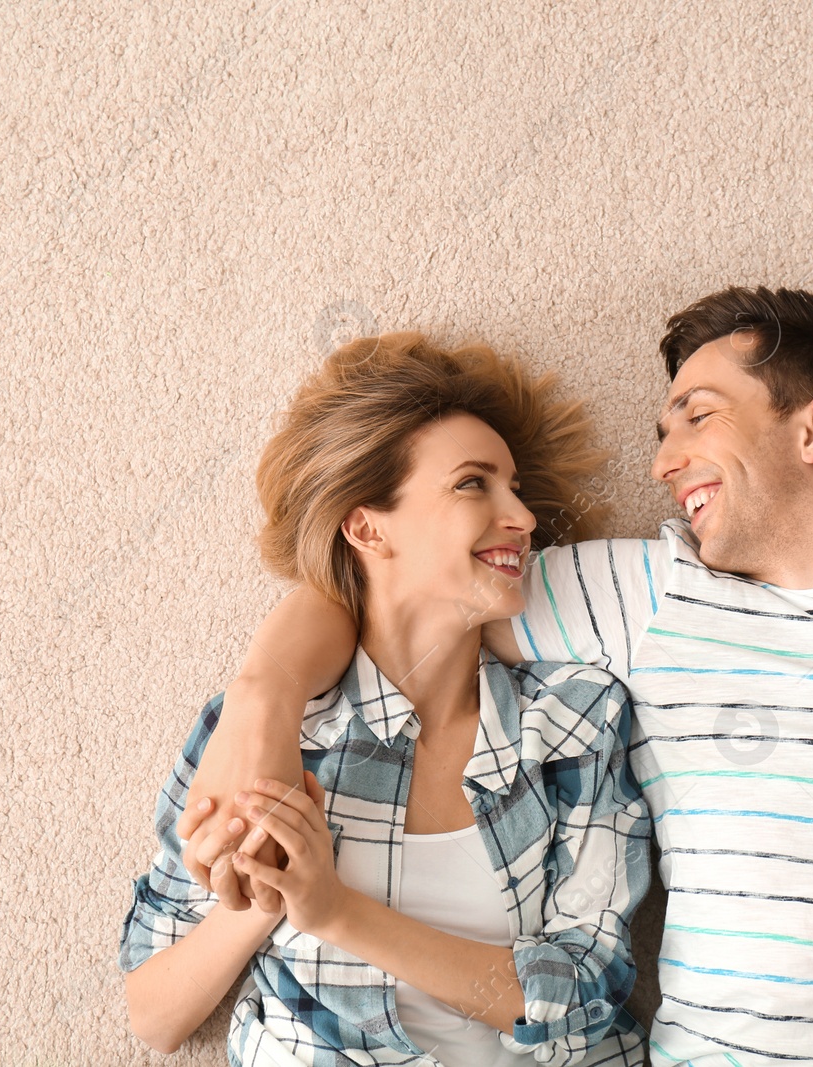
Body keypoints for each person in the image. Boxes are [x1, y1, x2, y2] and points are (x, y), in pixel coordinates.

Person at [178, 288, 813, 1066]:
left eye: (696, 416)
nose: (665, 461)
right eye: (661, 432)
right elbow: (399, 579)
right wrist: (263, 700)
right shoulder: (648, 596)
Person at [117, 333, 652, 1065]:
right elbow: (153, 1014)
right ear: (367, 526)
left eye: (516, 488)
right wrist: (264, 902)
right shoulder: (259, 730)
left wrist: (337, 911)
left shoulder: (573, 716)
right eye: (474, 483)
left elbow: (588, 994)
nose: (523, 517)